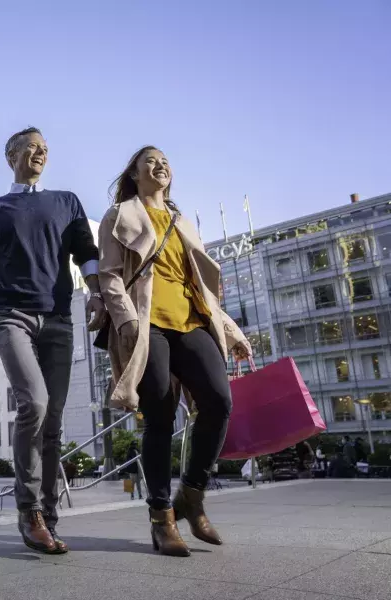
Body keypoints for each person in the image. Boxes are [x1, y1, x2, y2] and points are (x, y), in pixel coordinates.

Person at [97, 146, 252, 557]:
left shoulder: (182, 221)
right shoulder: (120, 215)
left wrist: (231, 331)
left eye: (165, 160)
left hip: (193, 321)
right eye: (150, 160)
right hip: (147, 324)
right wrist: (127, 320)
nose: (160, 164)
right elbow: (110, 275)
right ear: (133, 171)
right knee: (160, 415)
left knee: (219, 401)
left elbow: (203, 287)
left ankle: (192, 494)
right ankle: (161, 517)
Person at [0, 127, 106, 555]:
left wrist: (97, 295)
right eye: (31, 147)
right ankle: (27, 510)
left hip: (60, 318)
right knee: (35, 403)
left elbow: (87, 253)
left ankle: (48, 515)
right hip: (10, 315)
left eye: (45, 149)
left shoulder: (66, 202)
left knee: (54, 420)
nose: (40, 153)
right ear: (11, 155)